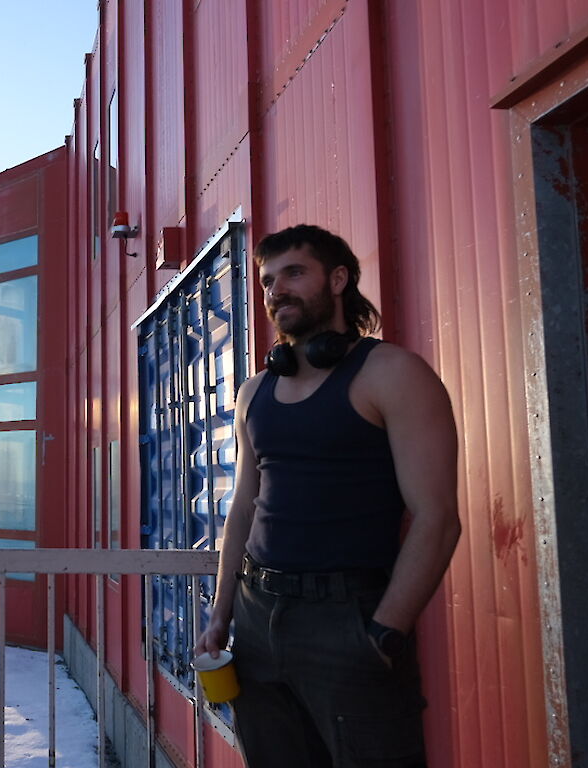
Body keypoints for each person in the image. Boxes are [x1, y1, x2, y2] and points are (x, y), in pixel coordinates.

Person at [194, 224, 461, 767]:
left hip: (348, 619)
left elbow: (437, 518)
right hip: (255, 618)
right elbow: (242, 510)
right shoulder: (254, 393)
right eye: (268, 281)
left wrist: (384, 633)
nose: (276, 290)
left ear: (338, 280)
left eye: (294, 273)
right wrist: (221, 614)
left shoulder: (391, 374)